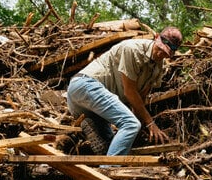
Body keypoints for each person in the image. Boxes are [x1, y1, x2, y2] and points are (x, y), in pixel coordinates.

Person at [66, 27, 181, 156]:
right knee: (131, 124)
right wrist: (150, 123)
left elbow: (140, 98)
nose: (160, 54)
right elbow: (129, 92)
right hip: (84, 85)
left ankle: (93, 124)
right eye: (160, 49)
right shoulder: (133, 49)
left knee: (112, 145)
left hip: (94, 108)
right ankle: (109, 168)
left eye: (166, 53)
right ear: (156, 37)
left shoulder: (159, 67)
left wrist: (139, 131)